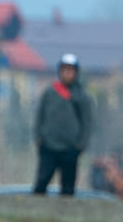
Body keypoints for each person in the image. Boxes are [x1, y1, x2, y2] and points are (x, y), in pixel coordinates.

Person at [32, 53, 93, 197]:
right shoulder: (50, 92)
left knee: (67, 189)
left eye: (70, 70)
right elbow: (39, 116)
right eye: (64, 70)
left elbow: (87, 121)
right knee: (41, 183)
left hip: (70, 148)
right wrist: (39, 138)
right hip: (49, 146)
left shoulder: (82, 96)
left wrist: (81, 144)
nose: (67, 73)